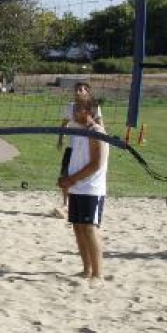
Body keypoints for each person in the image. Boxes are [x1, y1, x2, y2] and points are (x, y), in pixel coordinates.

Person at [57, 100, 109, 287]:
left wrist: (71, 180)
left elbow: (96, 164)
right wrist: (66, 179)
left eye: (77, 109)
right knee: (78, 227)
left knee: (89, 228)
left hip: (91, 189)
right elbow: (77, 161)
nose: (73, 111)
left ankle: (98, 274)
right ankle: (87, 269)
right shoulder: (78, 132)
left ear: (89, 112)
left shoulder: (97, 132)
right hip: (77, 186)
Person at [55, 82, 104, 218]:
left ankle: (83, 204)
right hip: (73, 147)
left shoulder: (94, 108)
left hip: (88, 149)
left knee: (85, 176)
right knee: (65, 175)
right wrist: (60, 138)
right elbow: (64, 124)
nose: (78, 91)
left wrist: (102, 135)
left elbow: (101, 125)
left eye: (82, 89)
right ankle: (65, 204)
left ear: (88, 92)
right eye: (76, 89)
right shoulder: (70, 107)